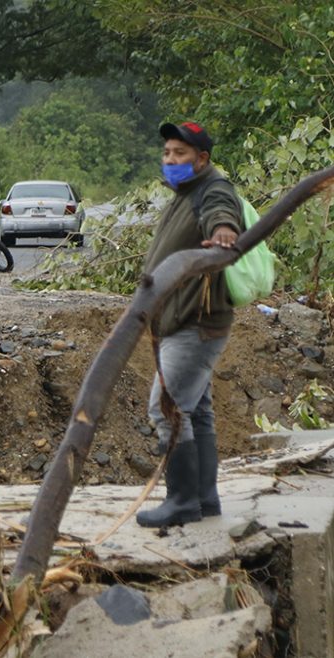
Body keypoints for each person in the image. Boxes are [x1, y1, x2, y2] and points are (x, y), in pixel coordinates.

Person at [136, 121, 242, 528]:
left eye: (180, 153)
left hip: (195, 321)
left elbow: (223, 213)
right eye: (167, 153)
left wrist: (223, 233)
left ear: (202, 159)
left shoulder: (211, 188)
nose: (170, 160)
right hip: (181, 318)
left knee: (166, 409)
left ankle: (181, 502)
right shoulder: (185, 193)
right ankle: (204, 499)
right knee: (196, 411)